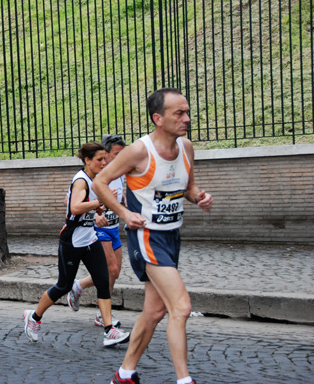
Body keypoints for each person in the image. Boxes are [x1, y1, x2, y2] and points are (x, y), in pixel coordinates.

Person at [92, 88, 213, 384]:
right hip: (146, 237)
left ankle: (124, 374)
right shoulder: (139, 151)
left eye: (187, 111)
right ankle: (184, 380)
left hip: (172, 236)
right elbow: (100, 182)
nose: (187, 118)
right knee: (180, 306)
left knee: (155, 309)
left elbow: (187, 187)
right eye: (179, 113)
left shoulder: (186, 147)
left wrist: (199, 197)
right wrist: (123, 212)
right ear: (158, 118)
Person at [22, 142, 130, 348]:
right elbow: (75, 206)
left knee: (103, 278)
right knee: (63, 285)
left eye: (105, 159)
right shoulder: (81, 180)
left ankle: (109, 330)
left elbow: (89, 206)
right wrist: (99, 202)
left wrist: (98, 211)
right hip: (72, 240)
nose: (104, 162)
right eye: (99, 159)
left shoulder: (93, 179)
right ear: (87, 160)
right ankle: (34, 317)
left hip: (89, 237)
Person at [66, 134, 128, 329]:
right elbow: (75, 204)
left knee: (114, 272)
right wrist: (96, 213)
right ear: (106, 155)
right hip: (97, 228)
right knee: (109, 269)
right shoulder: (95, 176)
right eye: (117, 154)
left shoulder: (121, 173)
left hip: (113, 228)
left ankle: (79, 285)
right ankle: (103, 316)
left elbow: (120, 196)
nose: (121, 157)